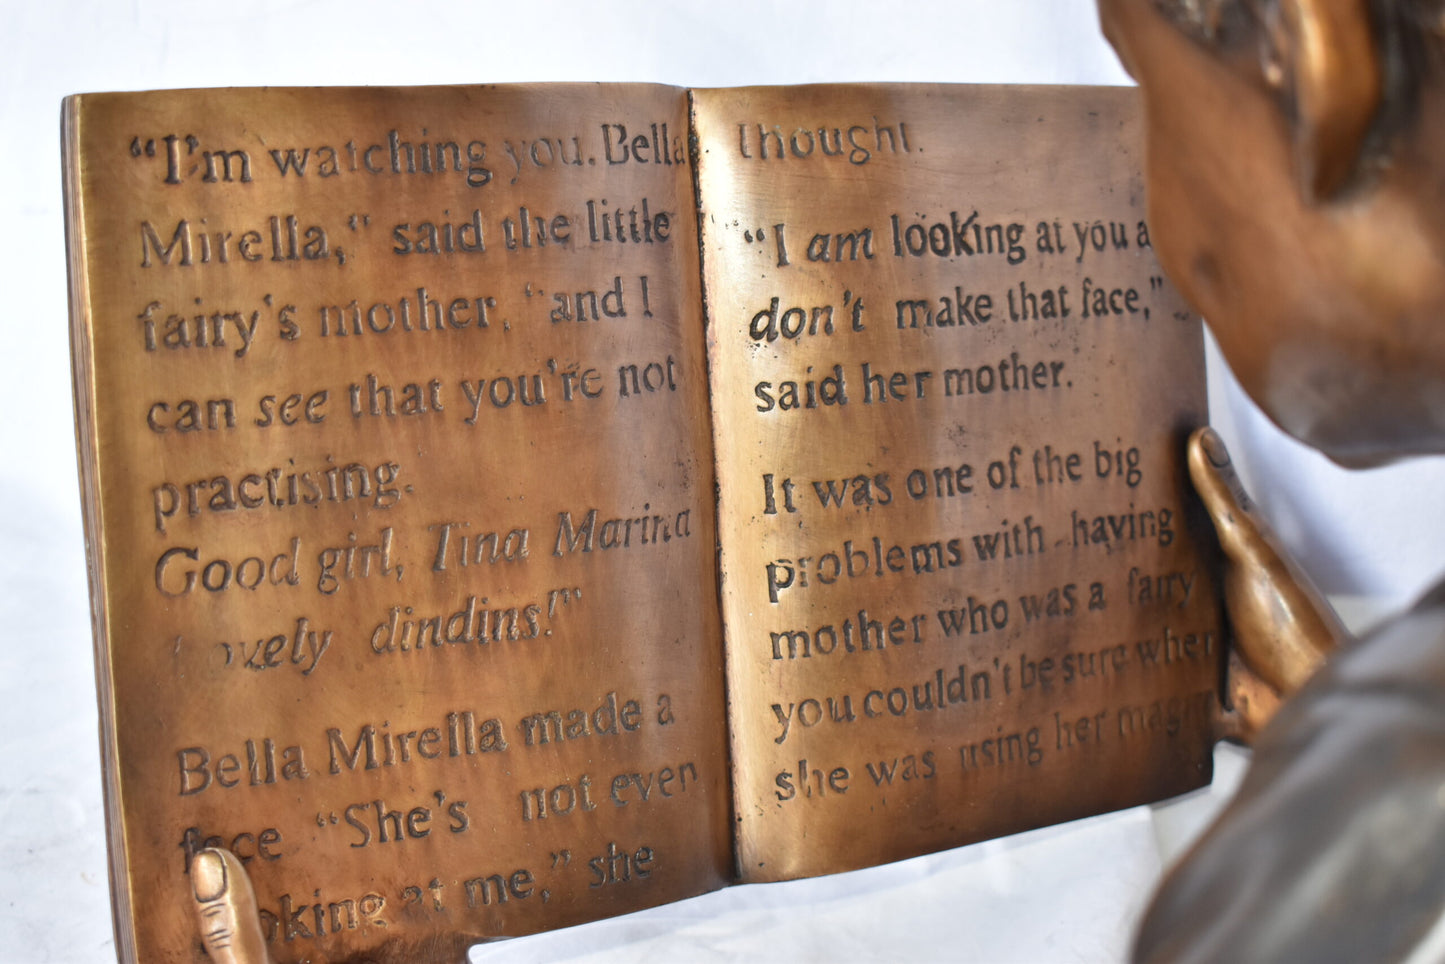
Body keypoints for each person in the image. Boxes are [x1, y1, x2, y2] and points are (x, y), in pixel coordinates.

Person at [1097, 0, 1445, 959]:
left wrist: (1368, 748)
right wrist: (1333, 695)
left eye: (1152, 99)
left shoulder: (1391, 765)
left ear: (1307, 54)